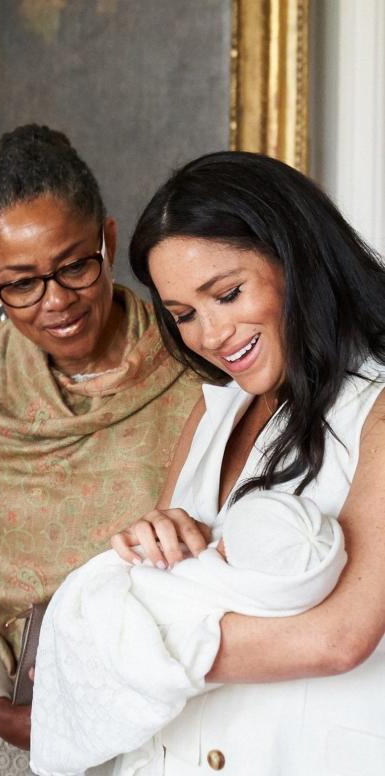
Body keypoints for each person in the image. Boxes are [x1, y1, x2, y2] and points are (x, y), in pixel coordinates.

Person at [0, 125, 201, 776]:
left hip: (177, 713)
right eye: (21, 283)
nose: (55, 303)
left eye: (74, 265)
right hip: (25, 724)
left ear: (106, 240)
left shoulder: (195, 364)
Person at [94, 150, 385, 774]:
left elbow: (341, 638)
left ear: (297, 256)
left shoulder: (377, 408)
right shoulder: (214, 410)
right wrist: (149, 546)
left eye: (227, 294)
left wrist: (120, 641)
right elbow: (164, 577)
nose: (211, 334)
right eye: (183, 316)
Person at [31, 489, 345, 774]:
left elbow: (160, 666)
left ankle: (58, 691)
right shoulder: (285, 591)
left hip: (128, 617)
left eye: (225, 543)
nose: (218, 545)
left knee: (99, 630)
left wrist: (90, 657)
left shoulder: (216, 605)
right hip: (121, 597)